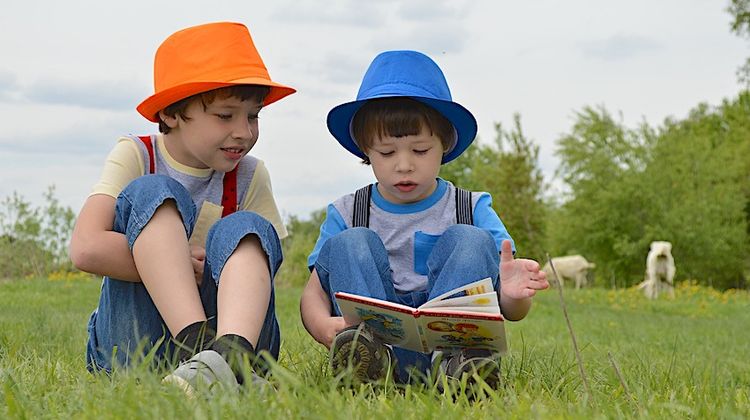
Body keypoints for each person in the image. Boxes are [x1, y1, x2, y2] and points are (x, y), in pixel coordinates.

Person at [299, 50, 549, 388]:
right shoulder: (347, 211)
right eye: (387, 153)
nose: (404, 165)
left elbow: (511, 309)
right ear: (365, 150)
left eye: (420, 151)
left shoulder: (471, 207)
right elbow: (313, 293)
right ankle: (367, 365)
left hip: (450, 342)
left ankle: (460, 369)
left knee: (471, 239)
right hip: (377, 341)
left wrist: (514, 297)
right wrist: (321, 326)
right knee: (350, 242)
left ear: (444, 144)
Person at [69, 22, 295, 393]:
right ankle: (202, 352)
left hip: (232, 332)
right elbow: (86, 247)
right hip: (138, 344)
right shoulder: (137, 154)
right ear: (172, 114)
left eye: (253, 116)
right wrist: (172, 263)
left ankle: (230, 357)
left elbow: (264, 265)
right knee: (154, 191)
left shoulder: (251, 174)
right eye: (226, 116)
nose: (244, 131)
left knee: (248, 228)